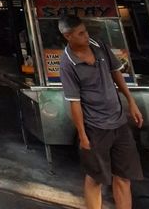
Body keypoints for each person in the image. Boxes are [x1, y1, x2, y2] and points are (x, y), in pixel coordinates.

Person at [59, 15, 143, 209]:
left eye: (85, 31)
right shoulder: (67, 64)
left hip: (119, 122)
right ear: (68, 36)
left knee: (123, 176)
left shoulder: (99, 46)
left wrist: (131, 102)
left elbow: (116, 73)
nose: (86, 35)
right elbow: (74, 102)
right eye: (80, 34)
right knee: (95, 178)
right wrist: (82, 135)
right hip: (95, 127)